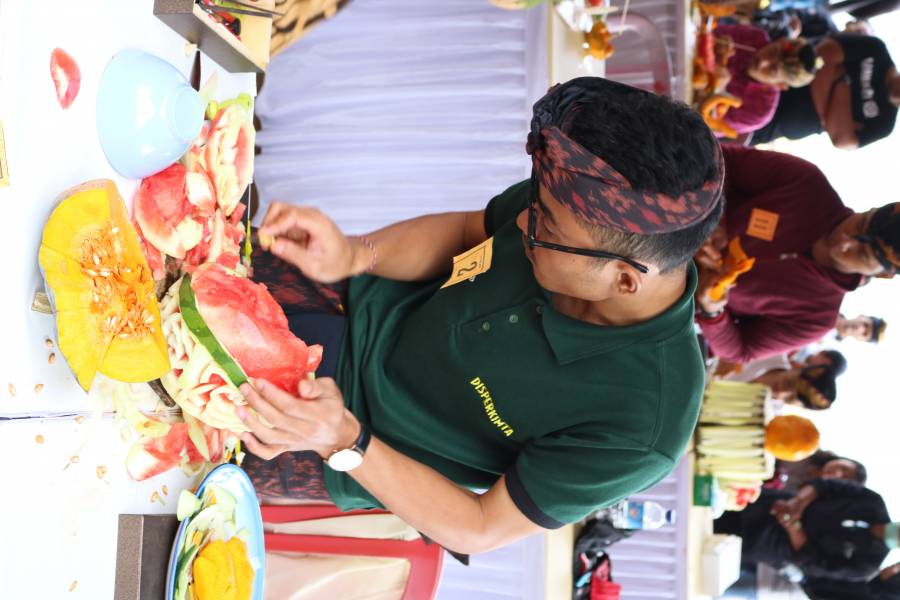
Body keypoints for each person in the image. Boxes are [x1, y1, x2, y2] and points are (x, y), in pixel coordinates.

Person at [237, 77, 726, 553]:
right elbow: (468, 233)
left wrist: (343, 440)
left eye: (545, 227)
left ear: (625, 280)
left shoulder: (644, 426)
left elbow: (478, 526)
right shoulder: (566, 205)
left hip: (339, 431)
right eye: (534, 204)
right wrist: (354, 253)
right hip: (348, 299)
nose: (524, 221)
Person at [694, 145, 900, 363]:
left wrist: (713, 312)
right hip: (678, 222)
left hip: (679, 298)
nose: (843, 242)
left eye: (863, 253)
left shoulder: (818, 317)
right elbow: (720, 158)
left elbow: (743, 349)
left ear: (882, 275)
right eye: (859, 224)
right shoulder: (808, 184)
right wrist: (715, 218)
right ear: (870, 210)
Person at [714, 477, 893, 582]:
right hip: (766, 503)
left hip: (762, 541)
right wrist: (797, 504)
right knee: (713, 501)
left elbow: (812, 563)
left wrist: (793, 526)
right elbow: (823, 485)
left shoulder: (867, 566)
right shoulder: (874, 502)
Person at [751, 32, 900, 148]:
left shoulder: (884, 123)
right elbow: (824, 54)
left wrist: (841, 82)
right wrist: (832, 119)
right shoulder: (876, 50)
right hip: (765, 78)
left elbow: (842, 140)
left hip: (764, 130)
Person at [711, 24, 818, 135]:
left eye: (772, 70)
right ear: (780, 41)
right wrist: (714, 40)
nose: (762, 62)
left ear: (781, 85)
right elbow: (704, 28)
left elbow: (709, 129)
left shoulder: (761, 110)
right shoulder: (755, 36)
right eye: (772, 52)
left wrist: (717, 91)